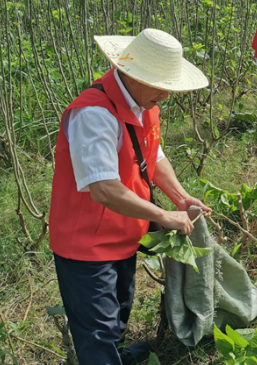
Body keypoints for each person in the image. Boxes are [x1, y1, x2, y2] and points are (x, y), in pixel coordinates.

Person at [49, 28, 212, 365]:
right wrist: (164, 216)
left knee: (121, 305)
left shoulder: (142, 103)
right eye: (162, 85)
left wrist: (180, 197)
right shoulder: (94, 115)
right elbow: (104, 188)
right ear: (135, 75)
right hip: (86, 245)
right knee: (97, 328)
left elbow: (152, 154)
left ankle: (116, 352)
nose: (167, 94)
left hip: (122, 232)